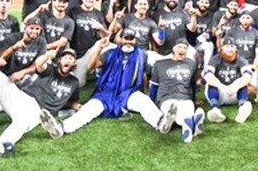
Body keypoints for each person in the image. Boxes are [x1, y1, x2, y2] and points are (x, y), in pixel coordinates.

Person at [38, 30, 174, 141]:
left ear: (135, 41)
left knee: (144, 101)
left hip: (128, 93)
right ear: (120, 39)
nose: (128, 41)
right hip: (106, 92)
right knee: (89, 109)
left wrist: (144, 91)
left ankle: (160, 122)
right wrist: (99, 48)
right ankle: (61, 128)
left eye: (131, 39)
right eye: (126, 38)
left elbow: (142, 74)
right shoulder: (110, 53)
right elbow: (91, 67)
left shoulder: (141, 55)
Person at [0, 49, 80, 159]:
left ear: (73, 63)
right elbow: (39, 64)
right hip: (23, 98)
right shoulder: (51, 70)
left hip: (39, 112)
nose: (68, 60)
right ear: (60, 61)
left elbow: (71, 100)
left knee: (21, 124)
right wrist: (46, 56)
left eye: (70, 58)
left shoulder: (74, 82)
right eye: (65, 57)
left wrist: (77, 106)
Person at [149, 39, 206, 143]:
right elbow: (154, 86)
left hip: (185, 97)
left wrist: (194, 100)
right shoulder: (160, 64)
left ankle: (187, 127)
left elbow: (192, 84)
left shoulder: (191, 64)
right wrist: (152, 102)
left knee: (186, 110)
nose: (182, 50)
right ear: (173, 49)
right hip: (167, 97)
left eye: (185, 48)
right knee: (174, 109)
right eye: (179, 47)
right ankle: (190, 124)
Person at [203, 37, 254, 124]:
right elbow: (208, 75)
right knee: (211, 82)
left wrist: (236, 88)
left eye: (232, 46)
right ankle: (215, 109)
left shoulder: (241, 60)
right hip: (220, 93)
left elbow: (247, 76)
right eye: (227, 46)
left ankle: (242, 107)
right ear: (222, 48)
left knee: (242, 81)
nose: (229, 49)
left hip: (234, 93)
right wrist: (222, 87)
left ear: (236, 49)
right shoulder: (215, 59)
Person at [68, 0, 110, 87]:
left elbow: (106, 36)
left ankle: (100, 71)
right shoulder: (73, 11)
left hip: (93, 50)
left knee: (111, 46)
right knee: (80, 84)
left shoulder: (98, 14)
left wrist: (101, 28)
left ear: (95, 0)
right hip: (78, 53)